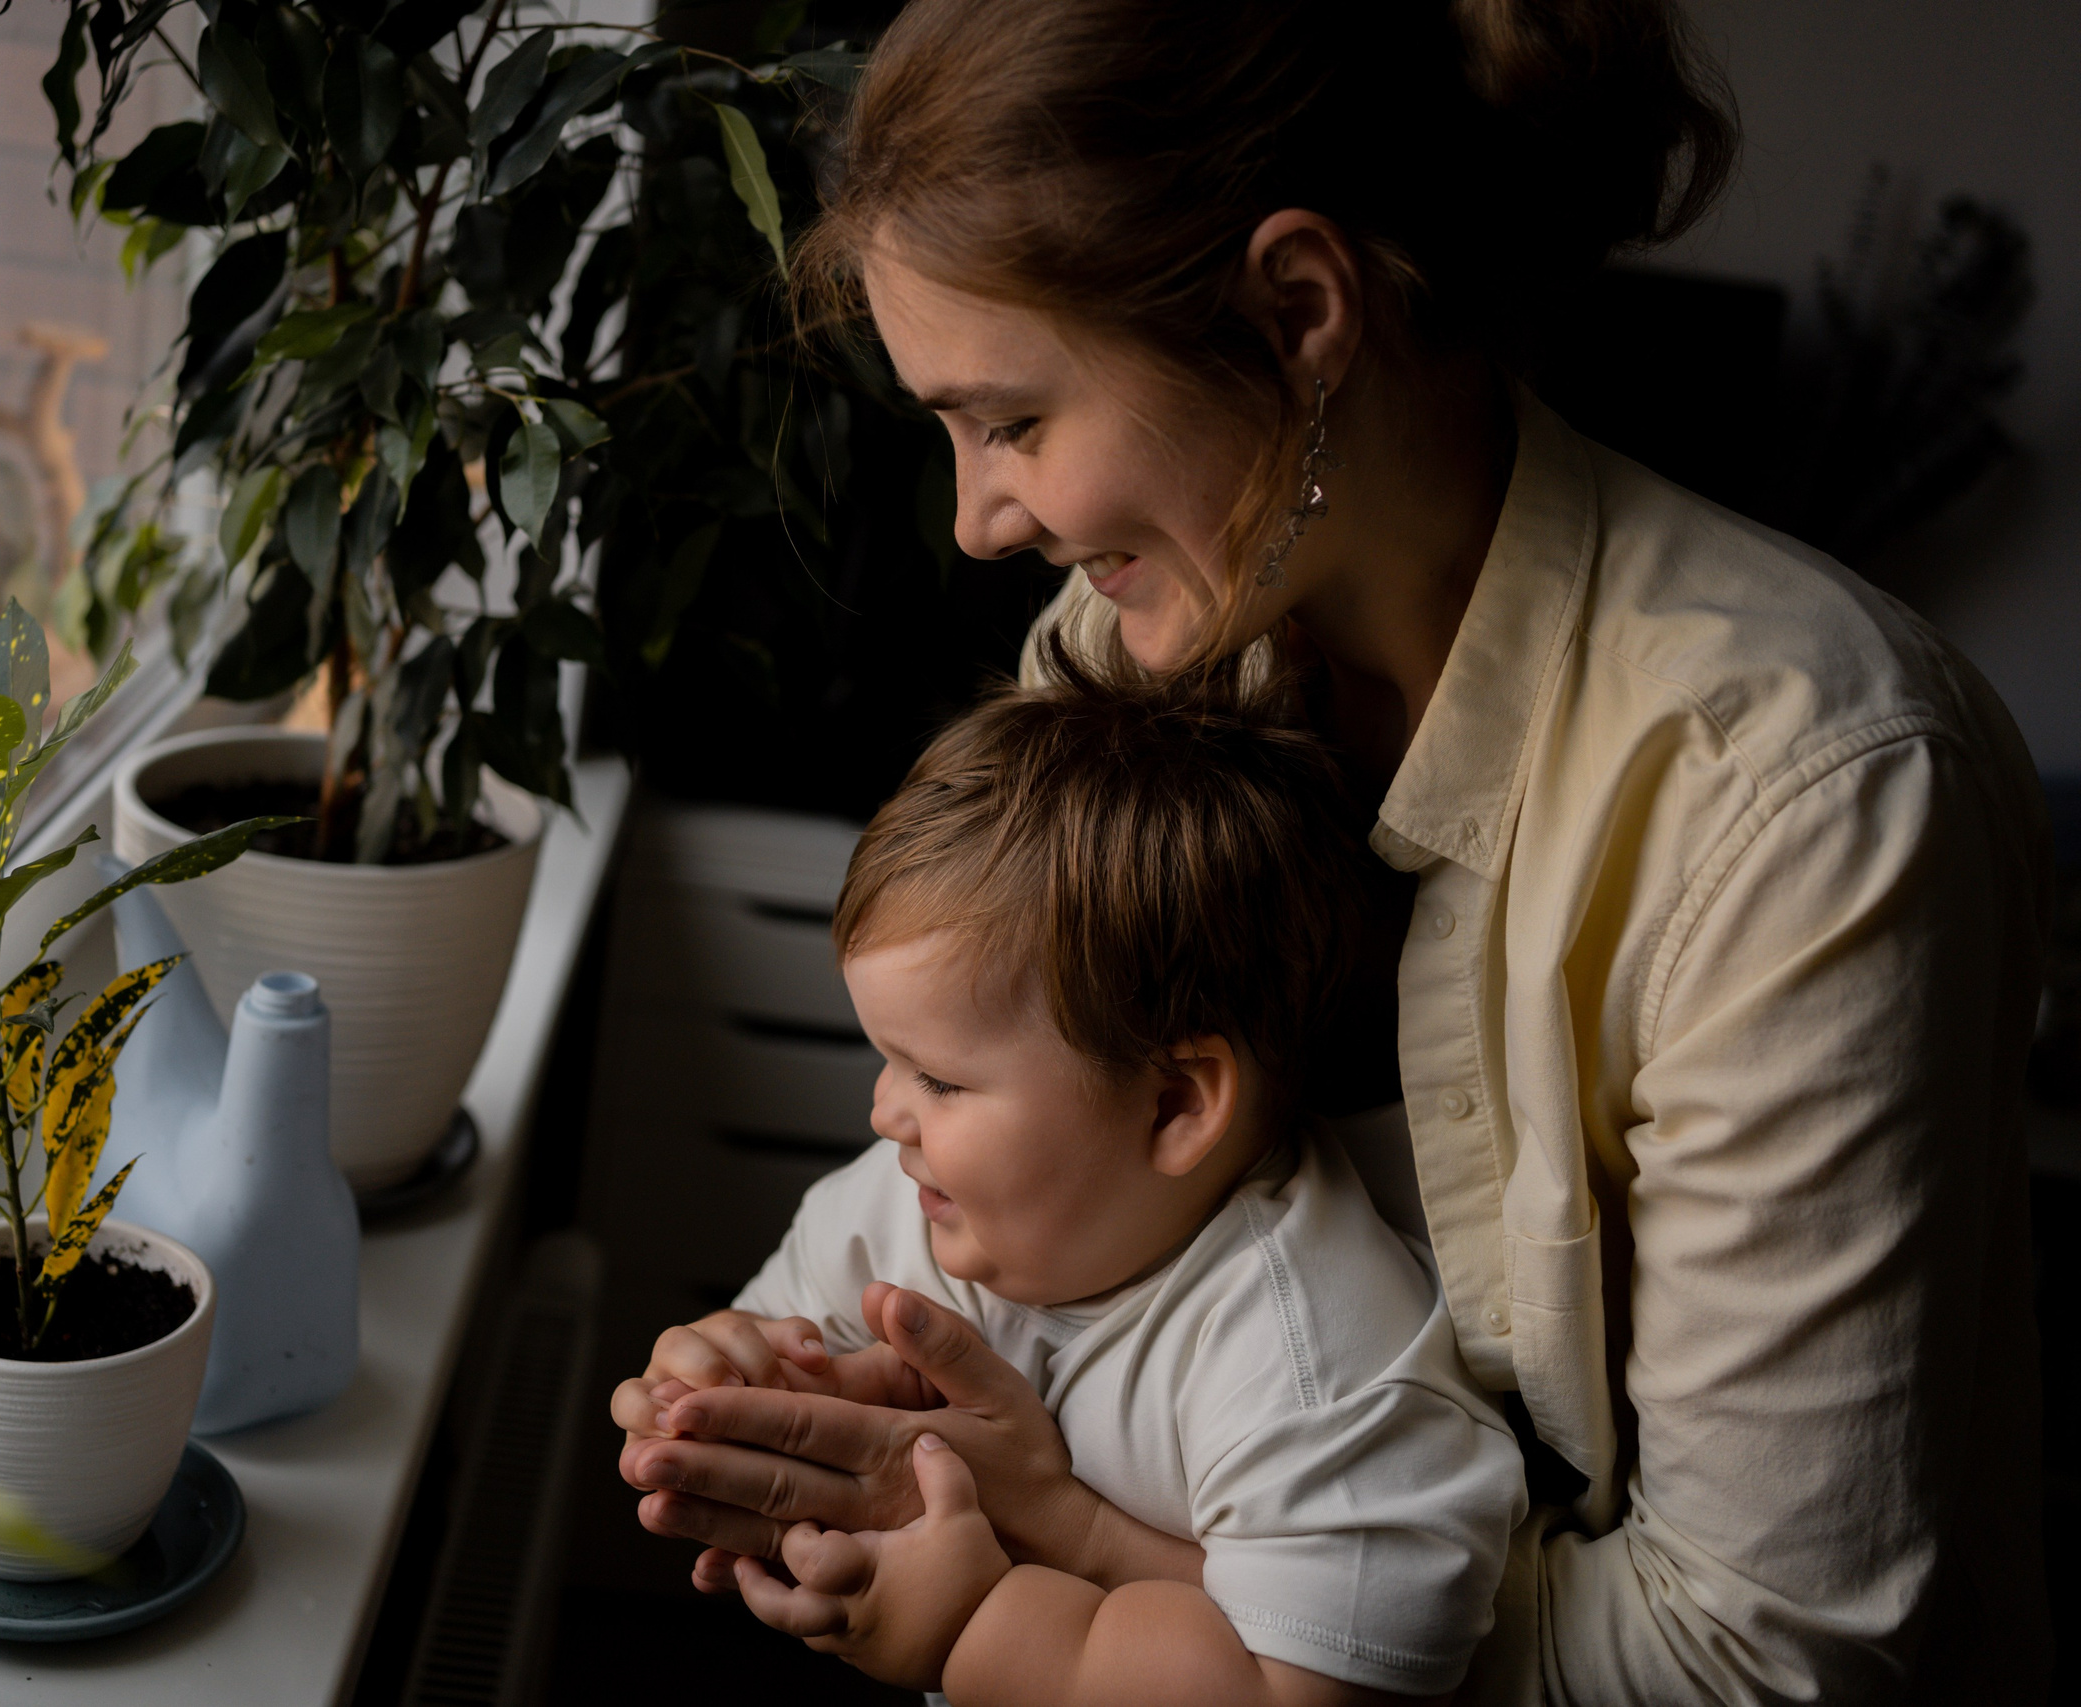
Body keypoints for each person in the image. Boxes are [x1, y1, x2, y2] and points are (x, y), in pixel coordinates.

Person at [613, 0, 2055, 1701]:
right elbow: (1036, 1256)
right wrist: (820, 1399)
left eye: (1011, 421)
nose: (977, 520)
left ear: (1297, 310)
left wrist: (1079, 1551)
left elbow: (1748, 1657)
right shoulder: (1118, 657)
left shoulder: (1809, 800)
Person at [621, 647, 1529, 1701]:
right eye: (888, 1059)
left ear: (1174, 1106)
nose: (883, 1112)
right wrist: (729, 1381)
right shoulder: (911, 1206)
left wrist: (969, 1625)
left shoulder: (1318, 1367)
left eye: (941, 1081)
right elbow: (802, 1355)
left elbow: (1297, 1691)